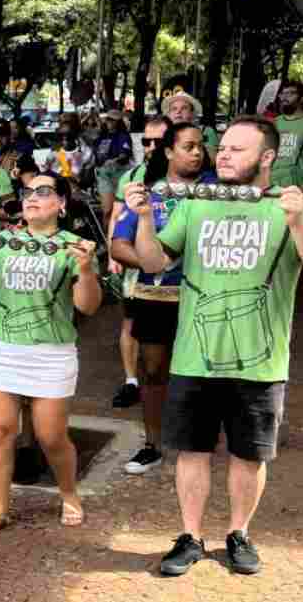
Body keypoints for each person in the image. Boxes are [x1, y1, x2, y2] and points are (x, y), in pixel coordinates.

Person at [125, 115, 303, 576]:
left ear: (267, 158)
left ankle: (239, 534)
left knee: (249, 455)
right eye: (221, 146)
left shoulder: (297, 206)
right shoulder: (197, 203)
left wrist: (299, 222)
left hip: (262, 363)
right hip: (194, 357)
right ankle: (190, 536)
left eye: (236, 149)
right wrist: (143, 219)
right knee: (192, 451)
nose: (221, 153)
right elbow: (154, 260)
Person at [0, 173, 102, 537]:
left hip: (51, 351)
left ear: (61, 203)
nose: (32, 197)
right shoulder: (1, 241)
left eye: (43, 192)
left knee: (51, 436)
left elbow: (87, 307)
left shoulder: (77, 246)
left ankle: (69, 494)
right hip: (2, 347)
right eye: (27, 192)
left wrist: (86, 270)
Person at [111, 122, 214, 477]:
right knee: (153, 371)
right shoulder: (149, 194)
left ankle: (197, 444)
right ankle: (152, 444)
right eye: (188, 146)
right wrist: (154, 261)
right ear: (169, 151)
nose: (198, 152)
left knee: (203, 372)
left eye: (201, 145)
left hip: (205, 299)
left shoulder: (219, 190)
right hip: (156, 296)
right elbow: (118, 245)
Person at [109, 116, 172, 410]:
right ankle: (131, 380)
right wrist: (113, 255)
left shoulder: (187, 178)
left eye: (157, 141)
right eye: (145, 141)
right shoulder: (132, 175)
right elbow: (117, 215)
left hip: (178, 269)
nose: (150, 147)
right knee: (131, 321)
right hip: (137, 263)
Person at [94, 111, 134, 219]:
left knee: (119, 211)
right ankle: (106, 234)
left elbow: (124, 155)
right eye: (107, 119)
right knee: (107, 210)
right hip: (103, 174)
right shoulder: (102, 136)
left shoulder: (123, 136)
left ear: (118, 122)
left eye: (112, 120)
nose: (108, 122)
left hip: (119, 173)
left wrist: (114, 160)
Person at [162, 91, 221, 158]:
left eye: (184, 108)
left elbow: (212, 159)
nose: (178, 112)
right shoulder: (161, 133)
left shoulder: (206, 131)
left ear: (192, 113)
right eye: (174, 109)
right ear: (169, 114)